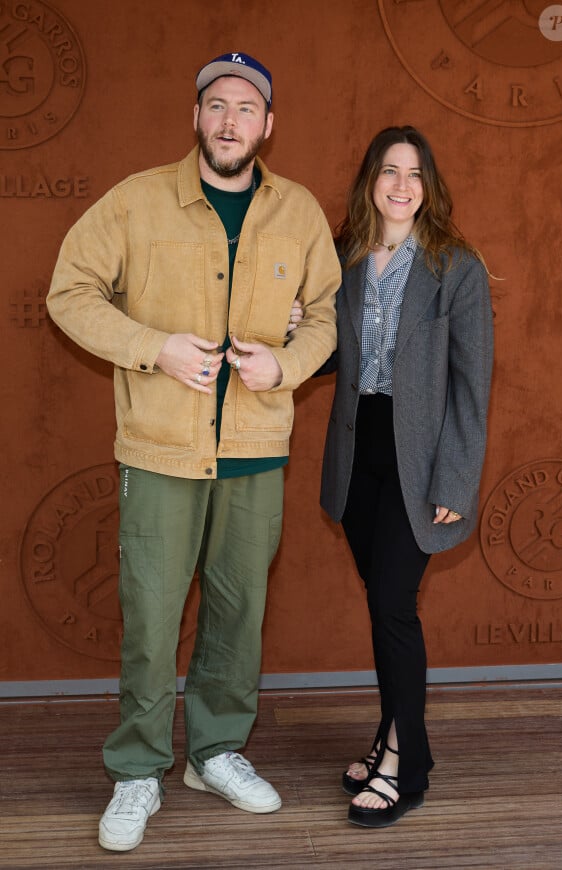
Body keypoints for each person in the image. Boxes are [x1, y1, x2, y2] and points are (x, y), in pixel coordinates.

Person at [47, 51, 340, 852]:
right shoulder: (138, 202)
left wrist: (287, 363)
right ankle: (137, 769)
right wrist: (153, 348)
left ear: (268, 125)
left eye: (246, 107)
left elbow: (325, 313)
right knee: (150, 615)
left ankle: (215, 753)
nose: (229, 120)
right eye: (217, 105)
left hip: (254, 450)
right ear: (197, 117)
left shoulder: (301, 213)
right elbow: (68, 291)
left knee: (238, 612)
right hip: (161, 449)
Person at [319, 126, 493, 828]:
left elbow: (471, 384)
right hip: (358, 450)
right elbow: (328, 355)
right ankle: (395, 735)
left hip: (420, 458)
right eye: (388, 171)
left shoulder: (457, 266)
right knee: (382, 600)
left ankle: (404, 763)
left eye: (414, 173)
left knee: (394, 603)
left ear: (429, 185)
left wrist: (455, 480)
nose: (400, 185)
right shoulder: (346, 257)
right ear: (370, 181)